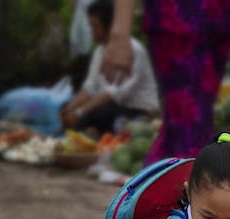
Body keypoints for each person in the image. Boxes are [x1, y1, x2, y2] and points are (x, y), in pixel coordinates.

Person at [99, 0, 230, 164]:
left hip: (219, 23)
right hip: (177, 22)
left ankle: (152, 190)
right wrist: (119, 34)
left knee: (184, 127)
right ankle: (189, 191)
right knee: (189, 126)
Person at [59, 0, 159, 135]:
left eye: (95, 26)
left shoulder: (133, 49)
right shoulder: (99, 51)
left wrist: (80, 112)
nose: (91, 31)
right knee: (71, 112)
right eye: (90, 26)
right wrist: (69, 109)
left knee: (95, 115)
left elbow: (114, 93)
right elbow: (89, 88)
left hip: (139, 110)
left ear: (108, 26)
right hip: (116, 107)